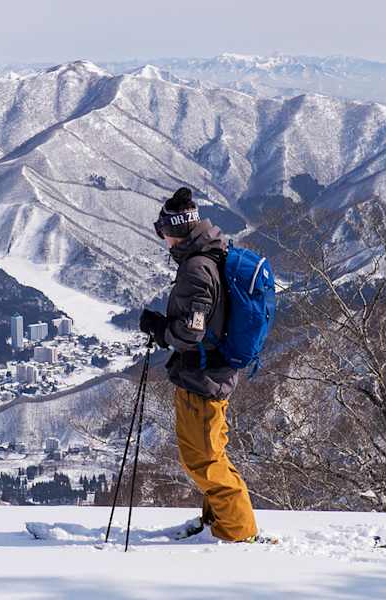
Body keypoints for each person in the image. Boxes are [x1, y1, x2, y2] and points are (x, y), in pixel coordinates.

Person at [139, 187, 258, 543]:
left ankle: (236, 532)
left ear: (172, 231)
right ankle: (217, 521)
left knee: (203, 458)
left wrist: (160, 329)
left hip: (202, 376)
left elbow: (191, 332)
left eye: (162, 232)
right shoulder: (214, 253)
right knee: (210, 452)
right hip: (215, 371)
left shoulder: (196, 267)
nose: (162, 240)